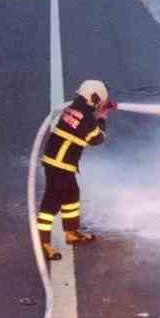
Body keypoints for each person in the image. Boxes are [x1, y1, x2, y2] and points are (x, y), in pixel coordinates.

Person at [37, 77, 114, 261]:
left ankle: (71, 232)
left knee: (71, 194)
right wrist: (102, 118)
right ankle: (44, 243)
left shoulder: (74, 109)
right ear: (95, 98)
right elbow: (97, 138)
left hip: (57, 161)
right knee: (52, 200)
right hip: (60, 164)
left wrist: (98, 115)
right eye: (100, 102)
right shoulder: (87, 118)